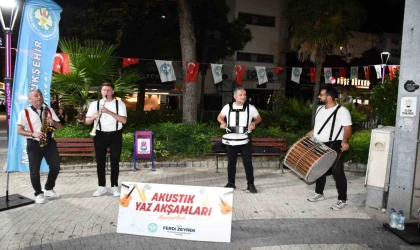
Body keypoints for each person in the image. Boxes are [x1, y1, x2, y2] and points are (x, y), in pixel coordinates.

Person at [306, 85, 352, 210]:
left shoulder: (342, 111)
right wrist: (308, 135)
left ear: (330, 97)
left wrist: (345, 140)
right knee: (319, 170)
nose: (319, 96)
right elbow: (318, 128)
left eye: (321, 94)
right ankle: (319, 193)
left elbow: (347, 129)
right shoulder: (319, 109)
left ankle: (342, 199)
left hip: (334, 144)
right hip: (319, 143)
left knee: (338, 172)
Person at [17, 89, 62, 204]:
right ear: (30, 99)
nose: (39, 97)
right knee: (34, 170)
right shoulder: (25, 112)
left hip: (49, 142)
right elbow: (19, 130)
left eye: (40, 95)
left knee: (56, 166)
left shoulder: (49, 110)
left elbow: (59, 126)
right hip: (34, 143)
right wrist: (33, 133)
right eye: (36, 95)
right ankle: (38, 193)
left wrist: (52, 122)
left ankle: (48, 188)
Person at [85, 82, 127, 197]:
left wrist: (109, 112)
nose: (106, 92)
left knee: (115, 161)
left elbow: (123, 121)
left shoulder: (120, 104)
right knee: (100, 161)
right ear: (101, 92)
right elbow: (87, 121)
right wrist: (94, 116)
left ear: (113, 91)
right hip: (99, 134)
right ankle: (101, 186)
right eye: (104, 90)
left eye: (108, 90)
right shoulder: (94, 104)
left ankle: (114, 186)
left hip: (115, 134)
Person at [217, 87, 262, 193]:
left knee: (247, 161)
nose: (243, 97)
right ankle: (231, 183)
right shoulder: (227, 107)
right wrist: (222, 122)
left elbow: (258, 118)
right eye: (241, 95)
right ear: (235, 96)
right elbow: (220, 117)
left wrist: (253, 123)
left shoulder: (250, 108)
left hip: (245, 138)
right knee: (231, 162)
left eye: (244, 95)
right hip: (231, 138)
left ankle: (250, 184)